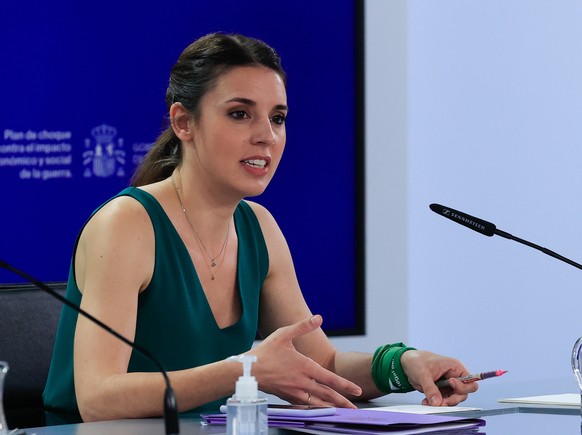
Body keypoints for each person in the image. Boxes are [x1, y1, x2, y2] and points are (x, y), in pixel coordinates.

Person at [43, 32, 477, 423]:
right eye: (239, 114)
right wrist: (244, 369)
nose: (266, 136)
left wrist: (405, 365)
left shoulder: (259, 227)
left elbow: (321, 363)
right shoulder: (127, 224)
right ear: (183, 123)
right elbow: (97, 398)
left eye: (278, 117)